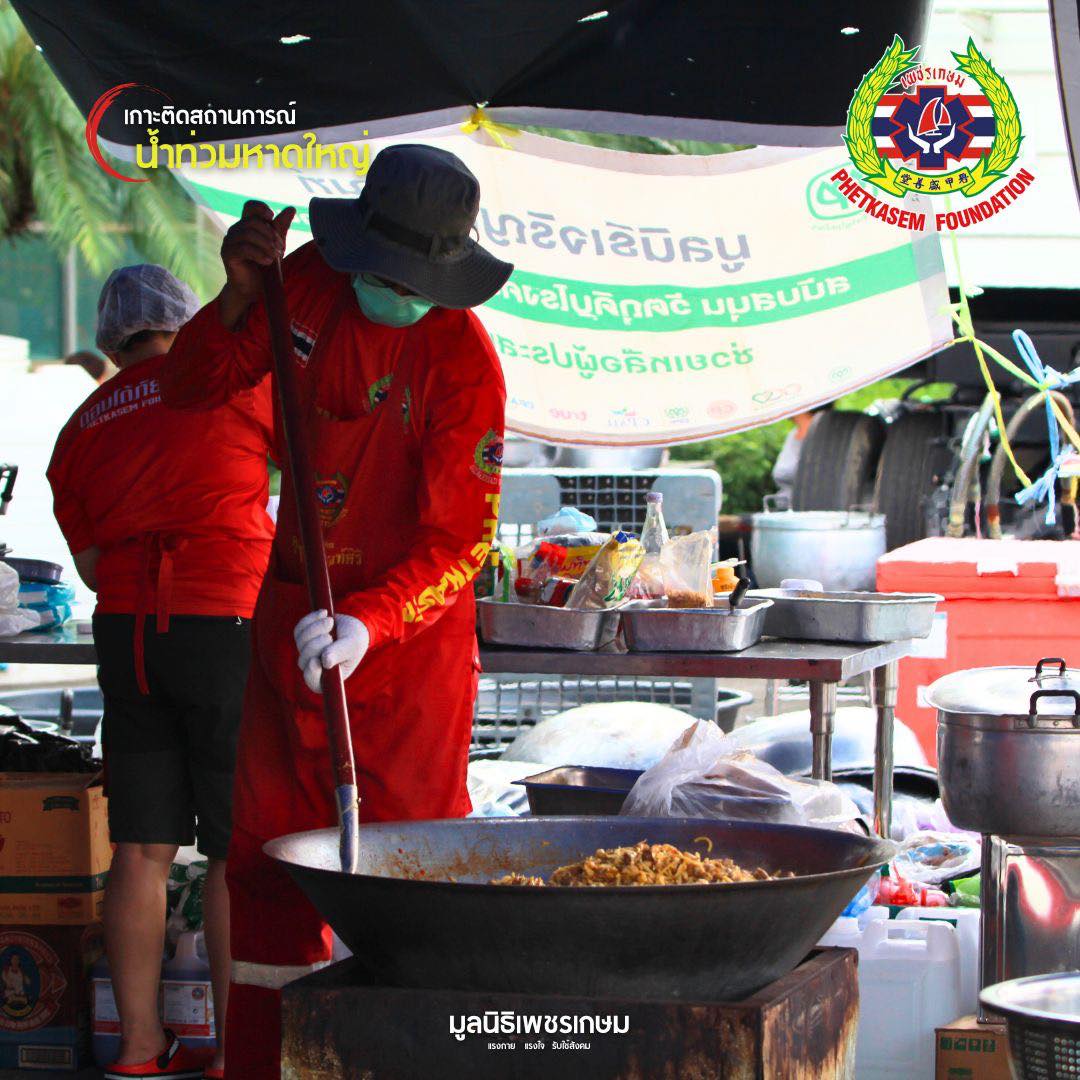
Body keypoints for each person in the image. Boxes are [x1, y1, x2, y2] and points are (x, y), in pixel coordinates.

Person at [162, 144, 512, 1078]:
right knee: (263, 864)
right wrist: (238, 296)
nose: (395, 295)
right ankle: (261, 1064)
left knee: (414, 879)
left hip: (404, 659)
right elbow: (194, 387)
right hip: (289, 625)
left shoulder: (463, 362)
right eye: (383, 274)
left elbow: (461, 541)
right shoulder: (306, 282)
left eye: (415, 284)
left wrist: (368, 623)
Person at [47, 265, 276, 1080]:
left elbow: (89, 563)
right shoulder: (229, 386)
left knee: (141, 850)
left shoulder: (80, 427)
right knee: (230, 852)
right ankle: (232, 1057)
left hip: (129, 636)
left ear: (112, 339)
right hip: (224, 626)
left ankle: (139, 1048)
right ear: (185, 322)